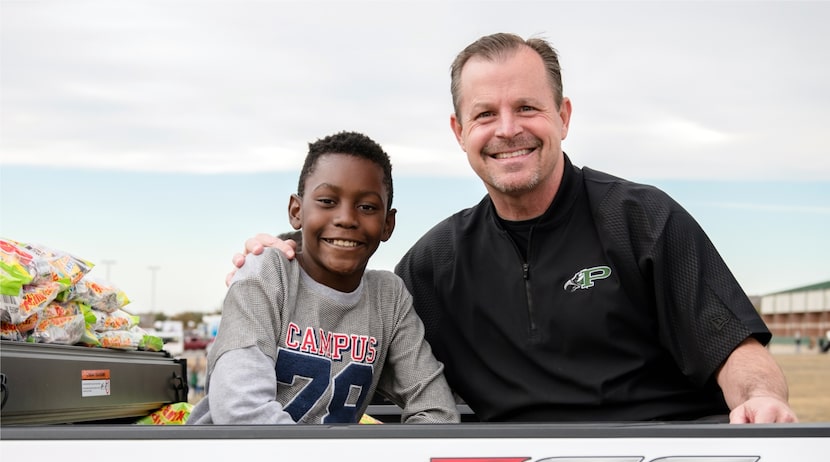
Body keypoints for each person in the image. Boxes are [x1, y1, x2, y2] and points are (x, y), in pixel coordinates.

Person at [231, 33, 797, 424]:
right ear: (459, 131)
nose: (507, 130)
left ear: (563, 116)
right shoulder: (433, 265)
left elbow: (735, 351)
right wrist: (287, 257)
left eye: (527, 107)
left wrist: (762, 400)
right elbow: (351, 331)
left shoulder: (642, 220)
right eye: (484, 114)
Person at [189, 131, 459, 424]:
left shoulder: (388, 297)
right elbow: (242, 411)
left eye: (367, 207)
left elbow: (437, 411)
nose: (346, 218)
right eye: (328, 201)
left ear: (387, 224)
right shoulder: (267, 272)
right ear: (296, 211)